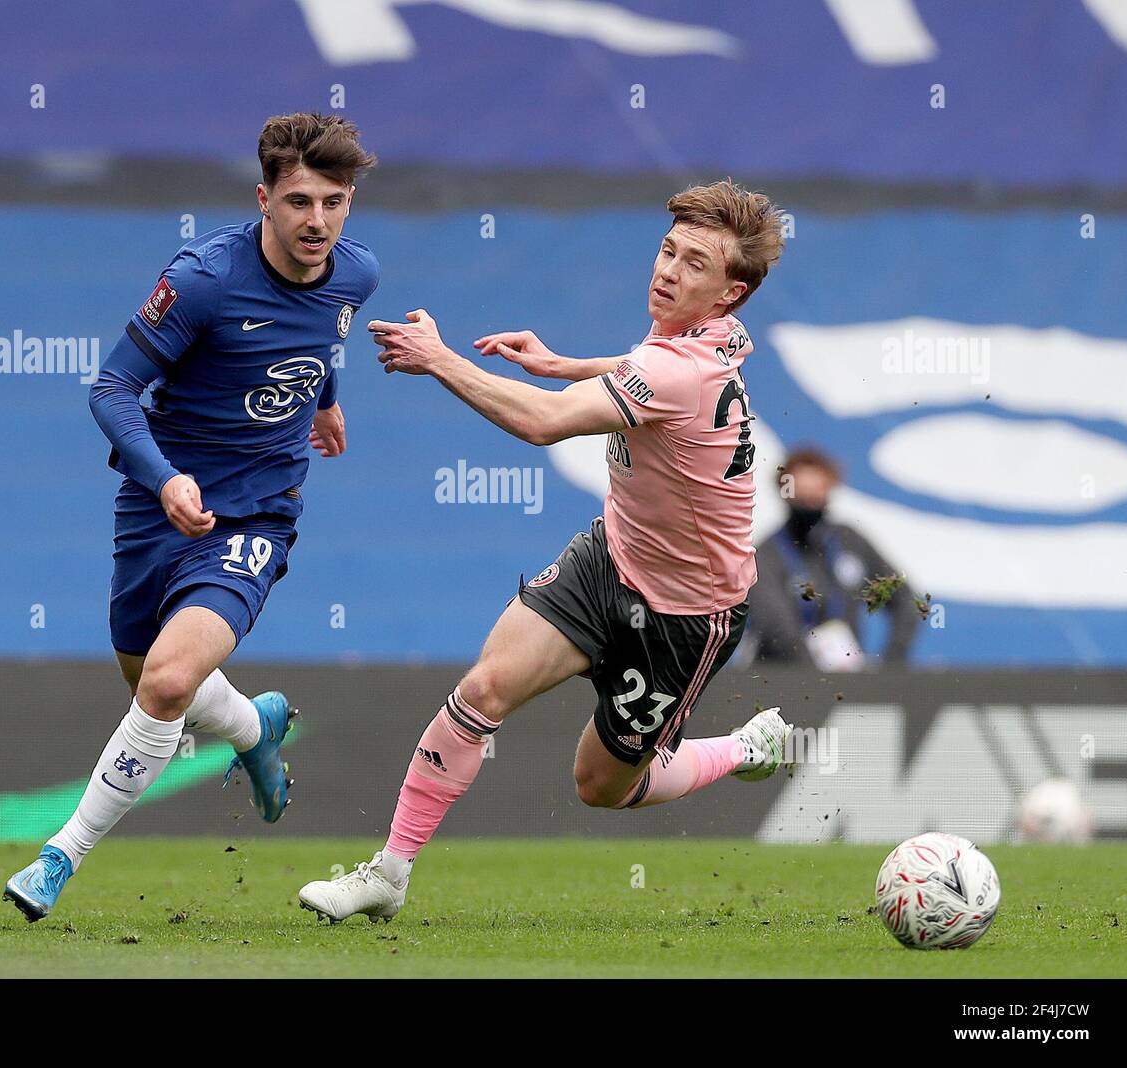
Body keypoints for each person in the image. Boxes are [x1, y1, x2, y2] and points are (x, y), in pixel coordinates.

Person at [299, 179, 793, 924]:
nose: (667, 270)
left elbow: (544, 427)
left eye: (695, 264)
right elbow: (642, 370)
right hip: (610, 559)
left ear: (730, 292)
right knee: (485, 689)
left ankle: (743, 749)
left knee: (601, 785)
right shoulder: (700, 344)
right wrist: (562, 364)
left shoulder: (680, 369)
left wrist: (439, 358)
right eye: (668, 250)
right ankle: (389, 873)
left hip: (686, 616)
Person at [3, 113, 380, 922]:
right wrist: (167, 479)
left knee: (172, 681)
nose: (318, 221)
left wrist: (326, 400)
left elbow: (321, 338)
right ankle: (254, 727)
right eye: (299, 201)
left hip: (258, 513)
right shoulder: (205, 278)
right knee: (151, 680)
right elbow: (110, 390)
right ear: (265, 199)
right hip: (158, 509)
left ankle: (58, 856)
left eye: (335, 202)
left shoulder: (358, 274)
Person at [748, 447, 920, 670]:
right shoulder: (768, 553)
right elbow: (774, 625)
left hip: (844, 679)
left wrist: (892, 664)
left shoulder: (849, 541)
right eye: (802, 494)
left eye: (817, 493)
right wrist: (817, 673)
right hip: (781, 680)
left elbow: (904, 600)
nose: (810, 501)